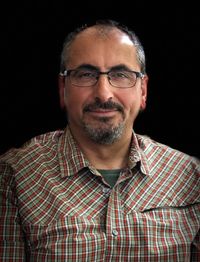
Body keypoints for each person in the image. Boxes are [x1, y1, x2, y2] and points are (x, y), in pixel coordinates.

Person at [0, 19, 199, 261]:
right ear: (63, 88)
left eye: (121, 74)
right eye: (86, 74)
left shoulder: (191, 177)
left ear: (143, 90)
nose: (103, 93)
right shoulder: (13, 175)